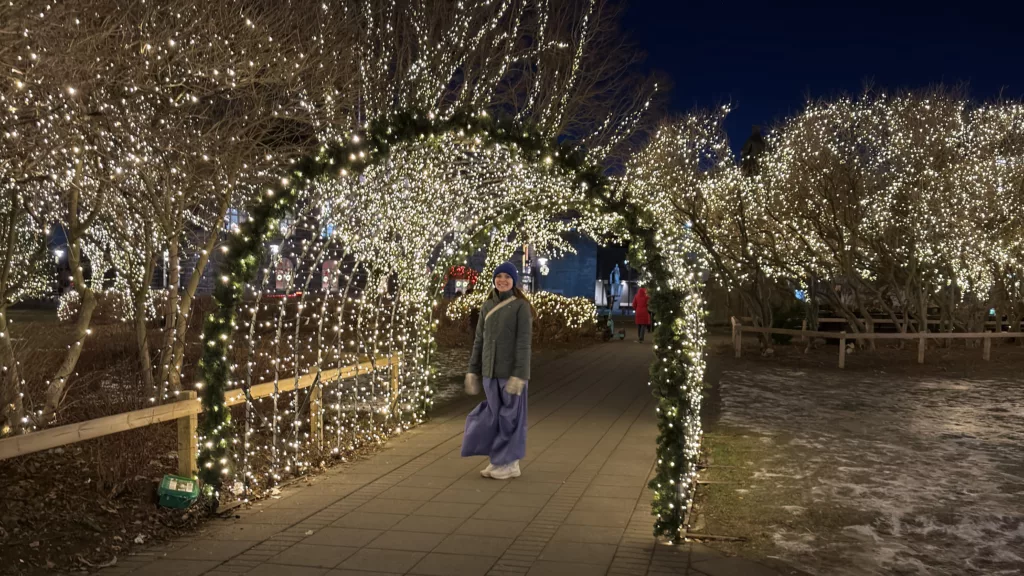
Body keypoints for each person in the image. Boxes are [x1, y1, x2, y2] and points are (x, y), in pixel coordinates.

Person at [461, 262, 535, 480]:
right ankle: (499, 460)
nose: (502, 280)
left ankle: (510, 462)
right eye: (499, 276)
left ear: (514, 281)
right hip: (489, 373)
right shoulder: (487, 306)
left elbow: (523, 343)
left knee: (510, 418)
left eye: (507, 277)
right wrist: (472, 371)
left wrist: (520, 374)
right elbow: (479, 341)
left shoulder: (521, 307)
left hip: (510, 374)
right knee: (494, 418)